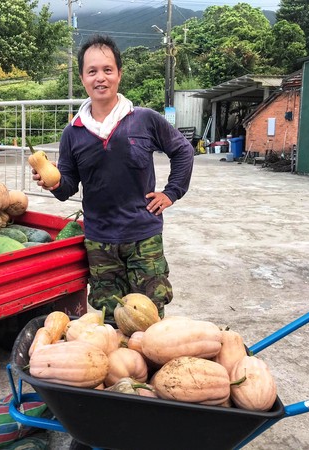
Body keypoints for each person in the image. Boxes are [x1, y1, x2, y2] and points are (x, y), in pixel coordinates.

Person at [32, 34, 194, 317]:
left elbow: (183, 151)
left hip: (143, 235)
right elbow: (67, 186)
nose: (100, 78)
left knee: (149, 317)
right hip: (99, 240)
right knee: (111, 317)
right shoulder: (74, 132)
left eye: (107, 70)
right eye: (92, 71)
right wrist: (54, 182)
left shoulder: (144, 118)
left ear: (119, 74)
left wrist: (172, 192)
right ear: (83, 78)